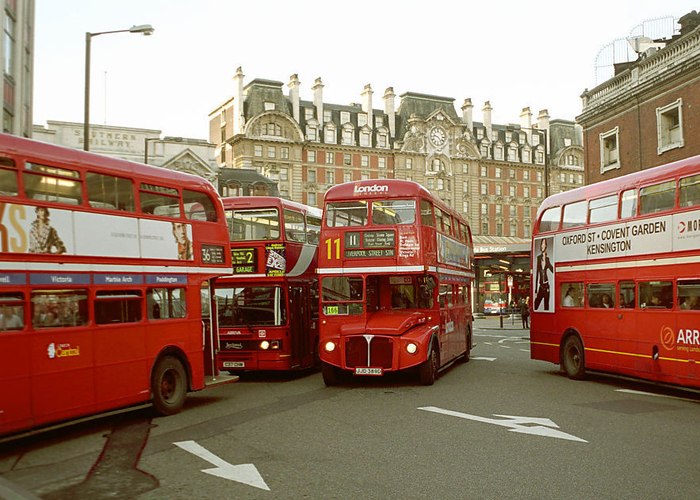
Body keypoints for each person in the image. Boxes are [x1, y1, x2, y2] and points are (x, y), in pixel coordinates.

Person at [534, 239, 553, 311]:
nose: (542, 245)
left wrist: (546, 260)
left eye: (544, 244)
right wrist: (535, 290)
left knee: (546, 306)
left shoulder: (547, 259)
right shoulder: (538, 258)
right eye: (542, 244)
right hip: (541, 286)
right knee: (536, 304)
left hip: (547, 285)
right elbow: (536, 274)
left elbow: (552, 270)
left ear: (546, 246)